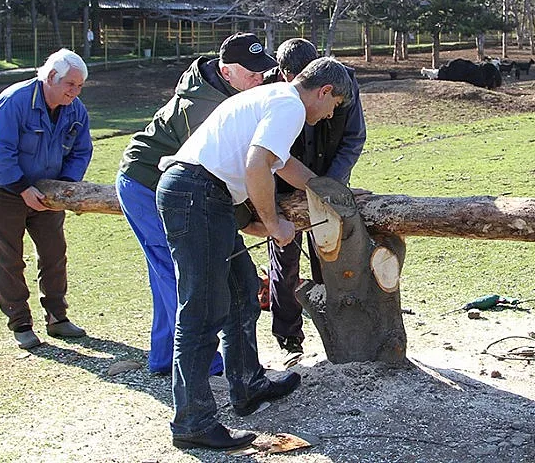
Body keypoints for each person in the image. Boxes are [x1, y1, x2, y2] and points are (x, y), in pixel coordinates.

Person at [156, 57, 352, 451]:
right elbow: (256, 165)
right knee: (202, 310)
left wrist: (329, 191)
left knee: (244, 291)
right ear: (324, 91)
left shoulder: (274, 99)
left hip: (202, 194)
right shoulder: (290, 106)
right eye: (334, 105)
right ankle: (192, 420)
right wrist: (274, 224)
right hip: (197, 195)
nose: (331, 114)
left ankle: (247, 384)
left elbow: (284, 165)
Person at [116, 32, 278, 376]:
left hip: (165, 183)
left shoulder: (233, 90)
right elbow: (210, 175)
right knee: (182, 275)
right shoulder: (203, 107)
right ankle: (201, 362)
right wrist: (247, 221)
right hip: (146, 184)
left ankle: (163, 357)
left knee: (167, 274)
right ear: (225, 70)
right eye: (250, 74)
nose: (258, 80)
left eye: (261, 72)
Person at [0, 49, 93, 350]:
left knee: (54, 253)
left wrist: (63, 187)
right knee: (9, 258)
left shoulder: (76, 109)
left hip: (48, 192)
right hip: (4, 190)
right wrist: (22, 189)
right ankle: (20, 324)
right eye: (71, 84)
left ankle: (58, 317)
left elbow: (81, 150)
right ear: (51, 77)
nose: (75, 91)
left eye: (80, 86)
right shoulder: (14, 101)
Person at [267, 38, 366, 357]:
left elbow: (353, 138)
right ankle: (289, 340)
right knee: (284, 261)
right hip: (281, 182)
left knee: (332, 258)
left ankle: (340, 335)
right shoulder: (268, 88)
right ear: (283, 73)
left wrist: (330, 186)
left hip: (328, 177)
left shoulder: (342, 82)